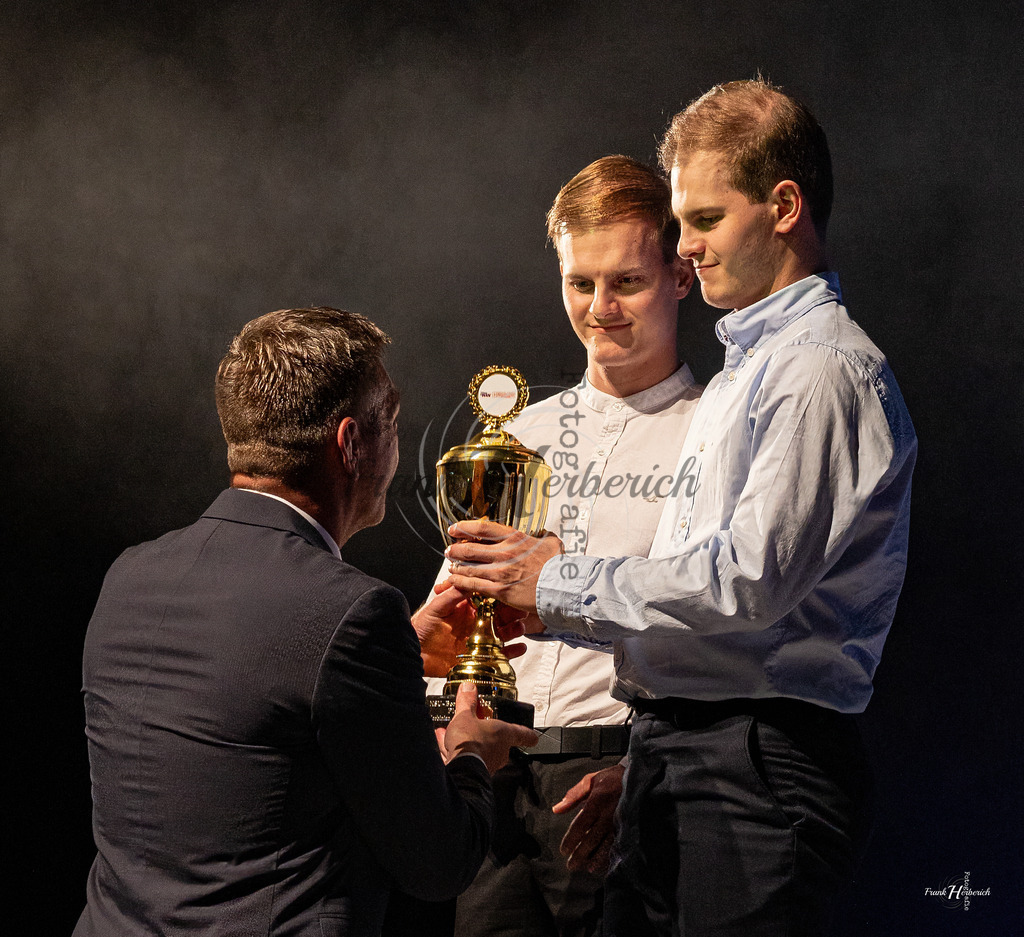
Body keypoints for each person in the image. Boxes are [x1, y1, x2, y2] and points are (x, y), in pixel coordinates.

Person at [444, 79, 918, 936]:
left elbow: (745, 582)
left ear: (784, 205)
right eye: (579, 281)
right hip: (686, 745)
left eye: (703, 220)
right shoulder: (754, 368)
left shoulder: (816, 372)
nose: (689, 247)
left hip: (753, 753)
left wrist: (559, 585)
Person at [74, 307, 537, 937]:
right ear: (349, 444)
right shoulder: (351, 612)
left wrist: (397, 651)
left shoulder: (129, 575)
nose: (397, 447)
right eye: (393, 423)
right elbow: (438, 862)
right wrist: (472, 758)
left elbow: (246, 743)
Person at [424, 155, 700, 937]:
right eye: (581, 283)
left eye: (627, 282)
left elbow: (715, 625)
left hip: (613, 772)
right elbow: (453, 618)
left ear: (682, 275)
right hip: (493, 774)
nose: (600, 307)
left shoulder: (713, 432)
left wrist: (644, 770)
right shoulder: (516, 437)